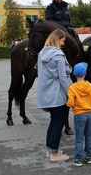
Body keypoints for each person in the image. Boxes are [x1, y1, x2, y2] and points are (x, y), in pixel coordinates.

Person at [45, 0, 77, 135]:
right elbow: (49, 22)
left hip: (66, 31)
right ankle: (40, 60)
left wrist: (69, 28)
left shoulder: (65, 7)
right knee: (42, 42)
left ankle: (81, 59)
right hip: (55, 33)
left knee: (76, 40)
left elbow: (68, 21)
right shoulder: (50, 8)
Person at [37, 29, 71, 161]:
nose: (63, 43)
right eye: (62, 40)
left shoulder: (42, 53)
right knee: (59, 123)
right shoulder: (58, 55)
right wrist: (69, 94)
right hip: (57, 95)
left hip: (46, 94)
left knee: (53, 122)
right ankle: (55, 154)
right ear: (57, 38)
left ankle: (50, 150)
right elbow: (62, 77)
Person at [66, 62, 91, 167]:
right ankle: (89, 157)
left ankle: (78, 158)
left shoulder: (72, 88)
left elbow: (70, 103)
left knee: (79, 137)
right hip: (89, 114)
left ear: (74, 74)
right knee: (89, 136)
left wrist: (72, 105)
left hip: (79, 114)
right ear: (85, 73)